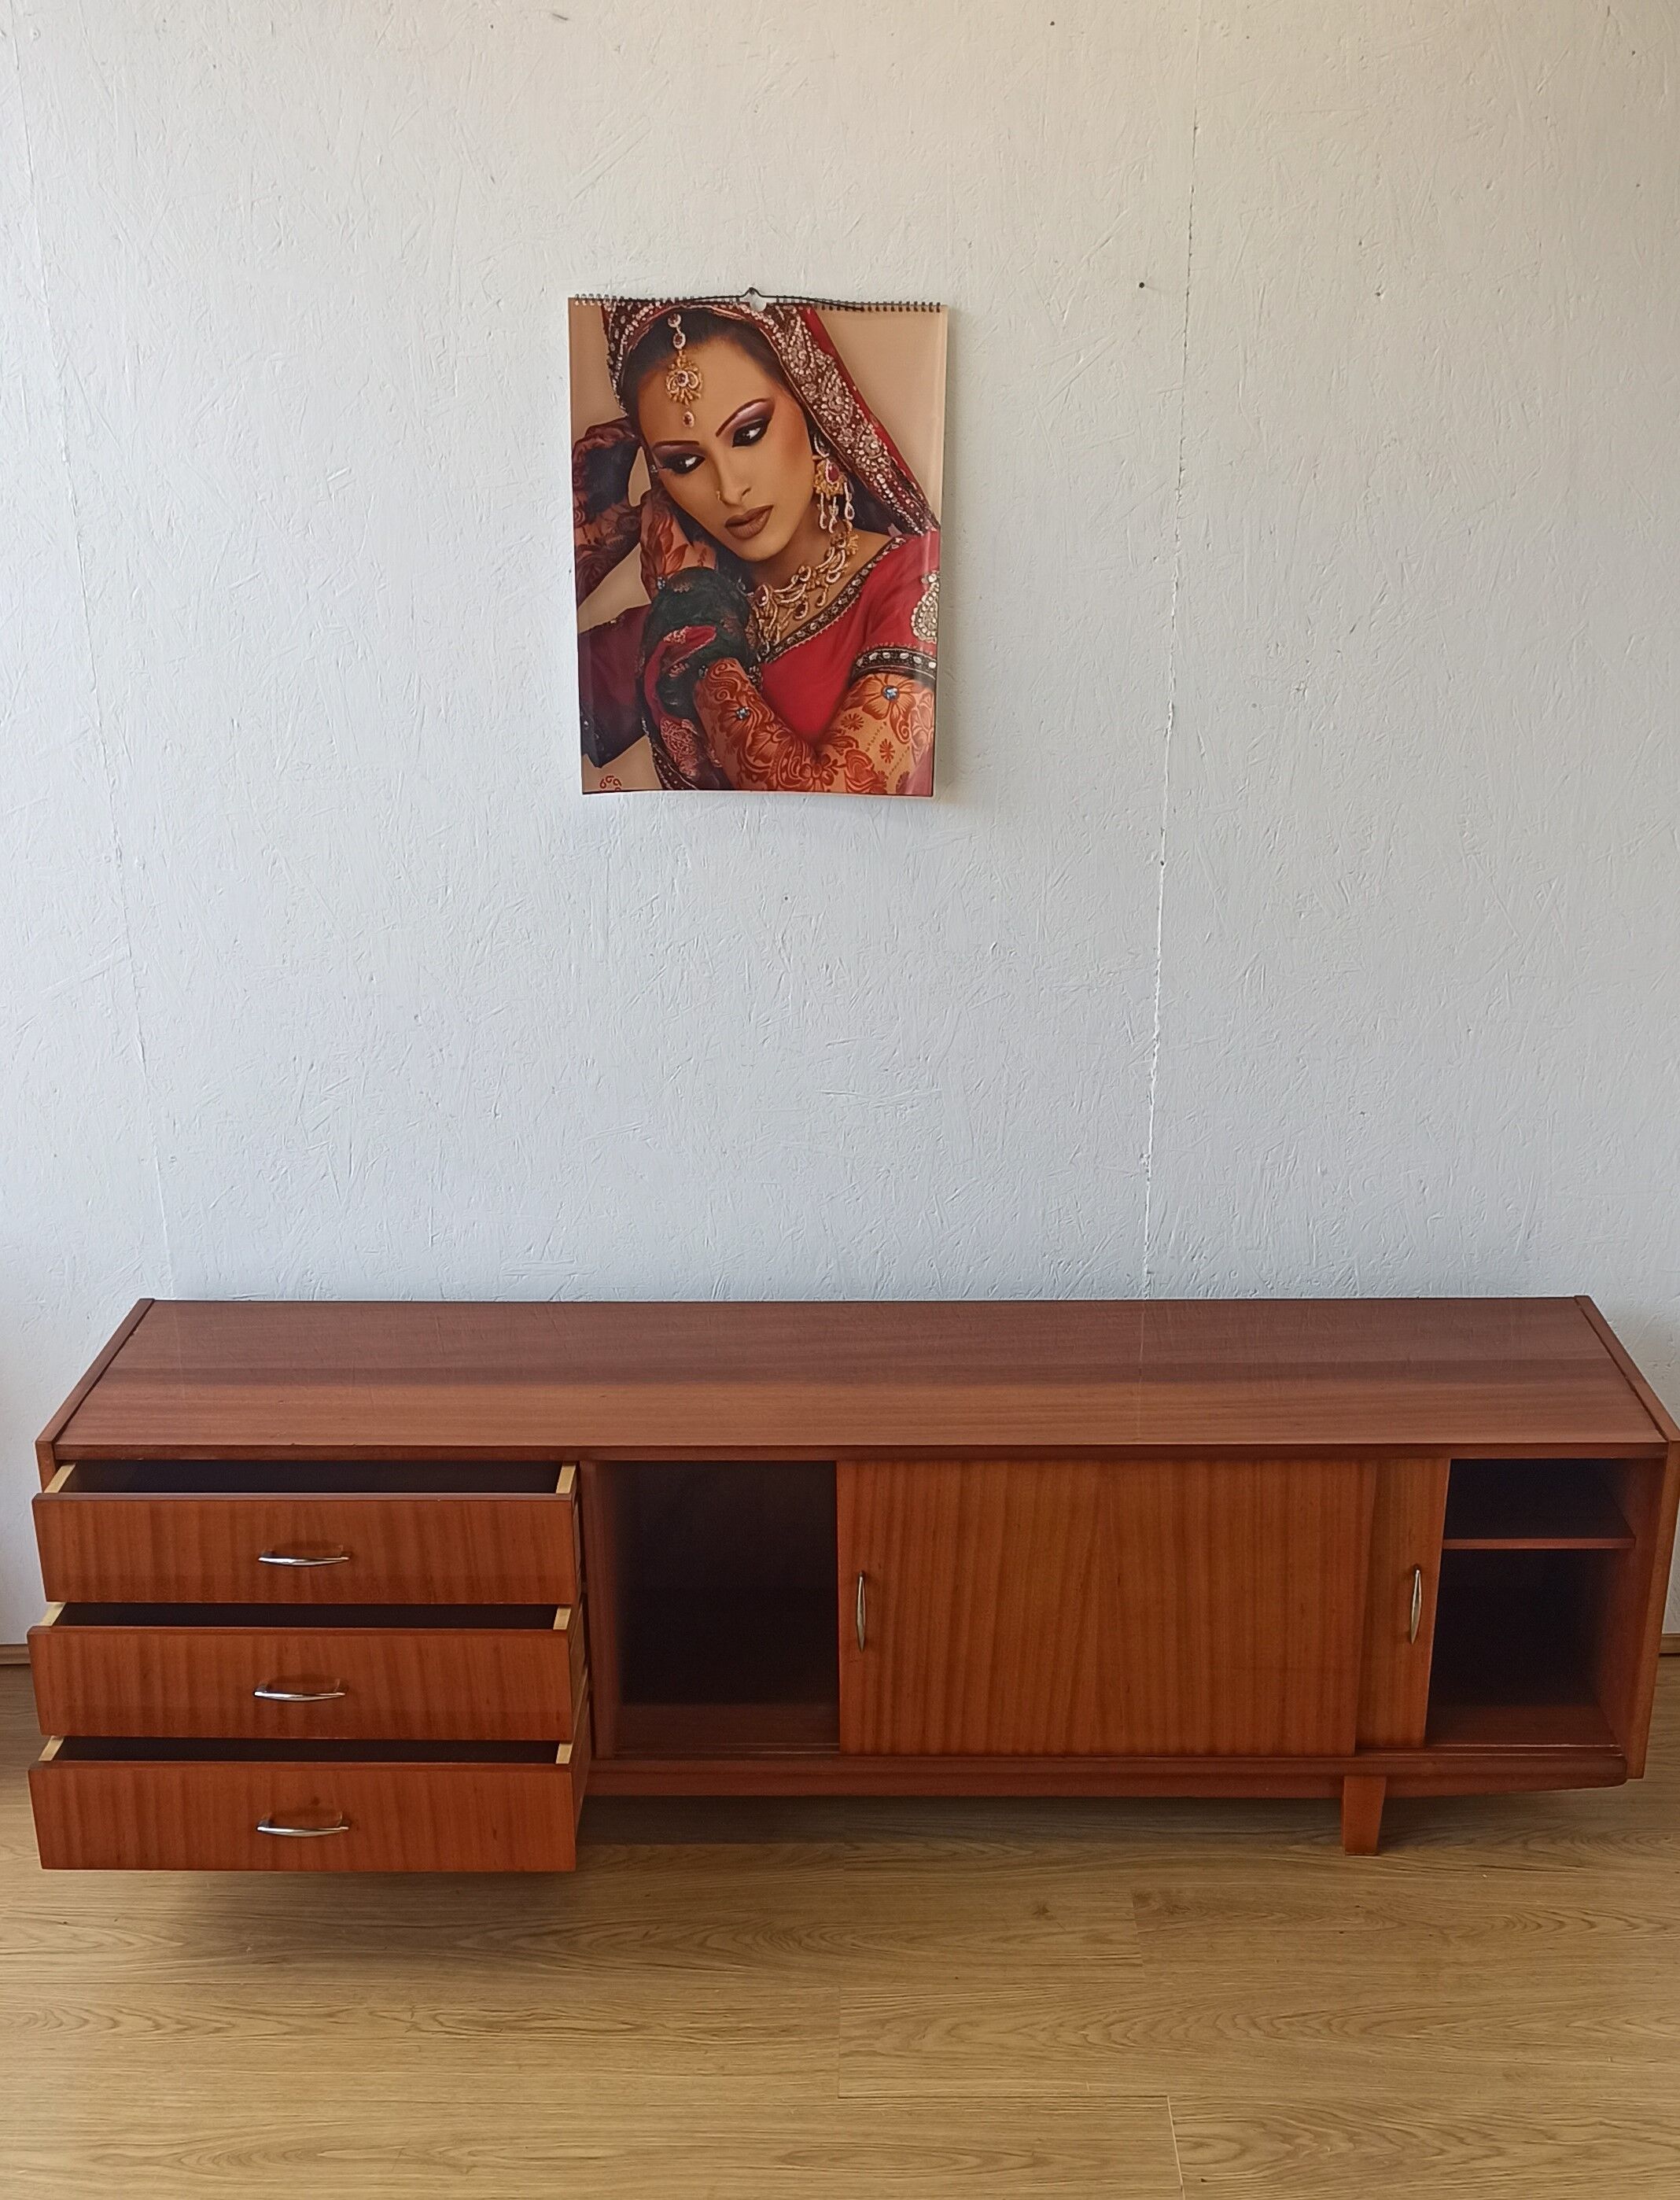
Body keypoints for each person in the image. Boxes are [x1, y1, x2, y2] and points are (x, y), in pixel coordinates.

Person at [573, 297, 939, 794]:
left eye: (748, 433)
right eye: (684, 464)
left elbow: (838, 809)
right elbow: (486, 704)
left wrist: (698, 646)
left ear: (812, 408)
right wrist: (590, 526)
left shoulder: (914, 579)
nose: (728, 489)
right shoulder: (674, 620)